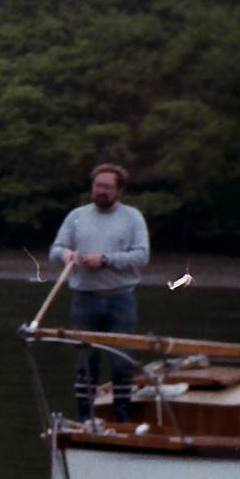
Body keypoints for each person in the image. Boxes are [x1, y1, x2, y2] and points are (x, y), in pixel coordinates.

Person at [49, 163, 151, 420]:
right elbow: (56, 249)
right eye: (97, 186)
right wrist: (66, 255)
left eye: (107, 187)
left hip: (120, 298)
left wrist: (105, 260)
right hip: (85, 298)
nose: (101, 191)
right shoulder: (77, 215)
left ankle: (123, 419)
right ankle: (85, 419)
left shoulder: (132, 217)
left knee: (121, 362)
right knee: (86, 362)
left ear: (120, 190)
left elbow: (141, 256)